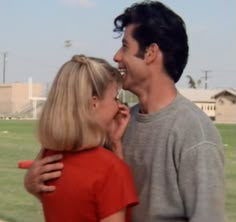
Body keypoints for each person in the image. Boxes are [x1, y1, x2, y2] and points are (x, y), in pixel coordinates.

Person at [24, 1, 224, 222]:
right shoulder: (118, 121)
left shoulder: (195, 134)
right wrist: (33, 184)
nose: (117, 56)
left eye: (125, 46)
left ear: (150, 53)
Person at [30, 54, 138, 222]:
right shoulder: (111, 170)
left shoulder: (48, 158)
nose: (119, 106)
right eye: (115, 98)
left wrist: (115, 144)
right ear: (94, 103)